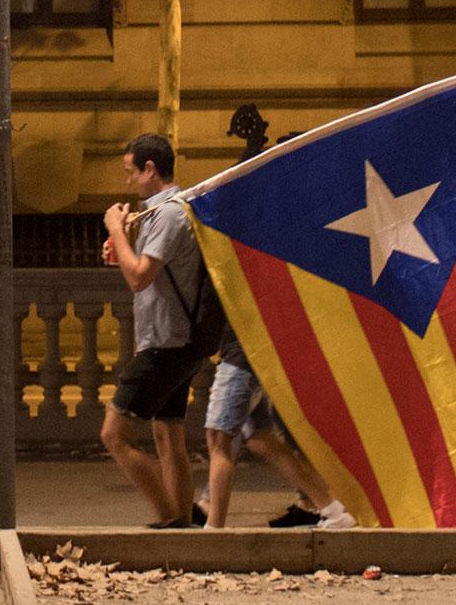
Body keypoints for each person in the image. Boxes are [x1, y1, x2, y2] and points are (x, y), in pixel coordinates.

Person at [99, 132, 208, 528]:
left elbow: (140, 277)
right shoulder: (165, 213)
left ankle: (166, 518)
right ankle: (181, 524)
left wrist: (115, 229)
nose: (129, 182)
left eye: (132, 172)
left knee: (114, 435)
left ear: (150, 169)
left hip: (165, 343)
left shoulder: (168, 214)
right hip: (177, 340)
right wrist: (122, 249)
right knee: (168, 435)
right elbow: (147, 270)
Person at [201, 326, 355, 530]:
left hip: (238, 357)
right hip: (248, 353)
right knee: (262, 441)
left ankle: (213, 527)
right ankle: (332, 510)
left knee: (218, 438)